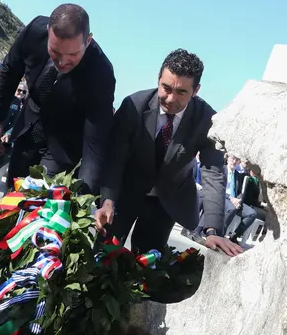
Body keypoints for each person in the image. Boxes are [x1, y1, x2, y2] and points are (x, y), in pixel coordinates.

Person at [94, 49, 242, 257]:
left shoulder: (206, 120)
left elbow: (213, 172)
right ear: (158, 78)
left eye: (181, 92)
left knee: (147, 269)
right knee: (103, 257)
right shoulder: (133, 106)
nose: (171, 98)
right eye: (166, 88)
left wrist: (213, 230)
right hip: (125, 194)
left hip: (166, 203)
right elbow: (115, 158)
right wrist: (107, 200)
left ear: (196, 90)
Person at [0, 4, 115, 193]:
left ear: (88, 41)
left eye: (72, 54)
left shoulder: (101, 72)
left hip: (62, 145)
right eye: (55, 51)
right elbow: (9, 72)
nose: (62, 62)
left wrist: (82, 195)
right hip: (27, 131)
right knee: (12, 197)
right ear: (48, 32)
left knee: (37, 203)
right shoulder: (34, 31)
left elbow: (94, 143)